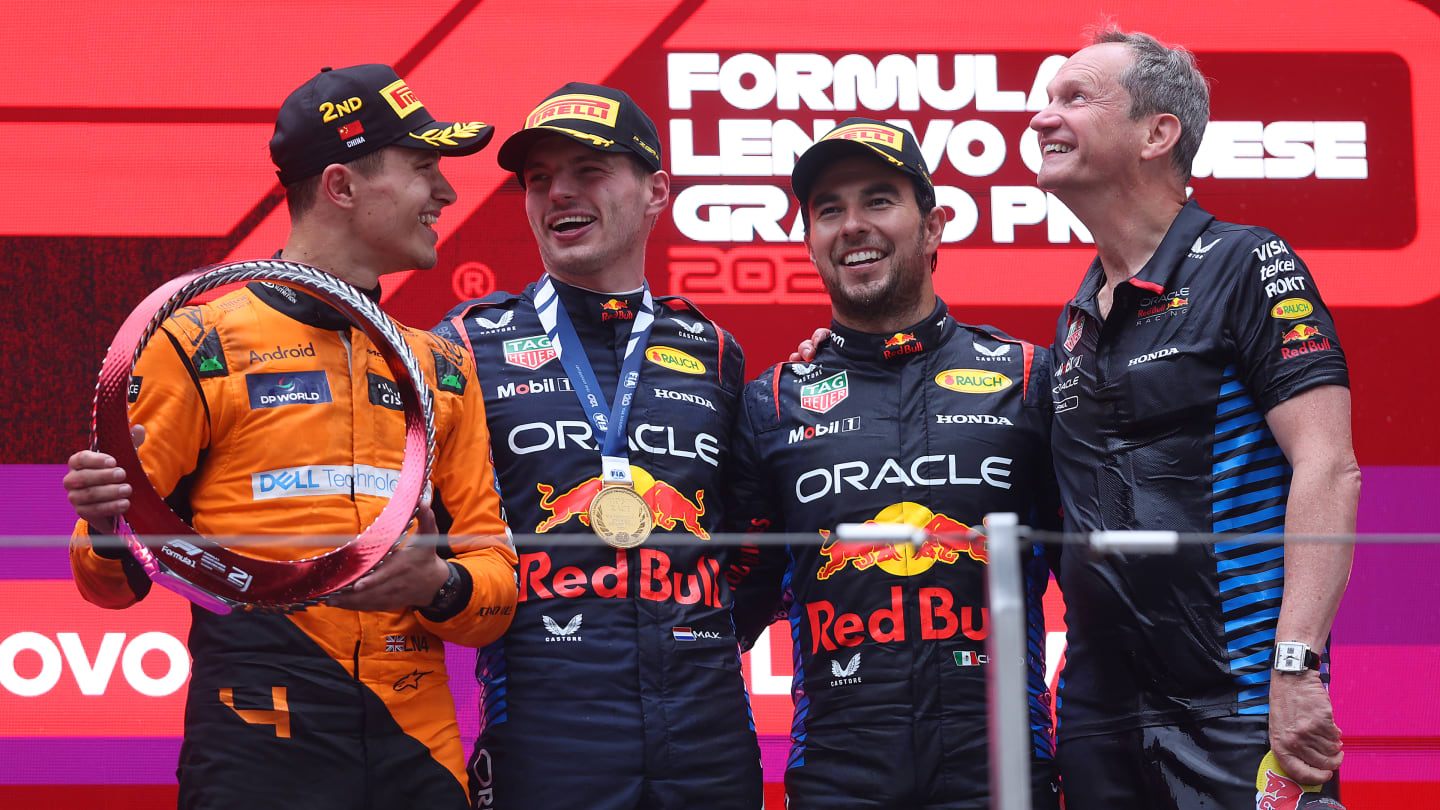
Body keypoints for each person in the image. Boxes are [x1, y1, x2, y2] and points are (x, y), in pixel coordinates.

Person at [62, 64, 518, 810]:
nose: (446, 193)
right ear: (340, 186)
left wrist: (441, 587)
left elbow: (497, 589)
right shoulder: (200, 339)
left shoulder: (443, 367)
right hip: (257, 736)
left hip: (419, 746)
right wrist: (106, 524)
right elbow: (110, 586)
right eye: (425, 168)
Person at [1028, 30, 1359, 808]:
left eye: (1074, 98)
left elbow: (1329, 467)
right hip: (1098, 720)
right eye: (1047, 101)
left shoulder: (1248, 264)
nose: (1043, 119)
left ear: (1157, 133)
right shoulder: (1074, 320)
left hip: (1242, 705)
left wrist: (1295, 667)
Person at [433, 83, 760, 809]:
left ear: (656, 192)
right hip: (548, 722)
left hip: (707, 729)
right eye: (540, 179)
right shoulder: (463, 345)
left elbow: (752, 533)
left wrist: (693, 633)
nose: (559, 194)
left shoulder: (711, 350)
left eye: (588, 170)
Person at [724, 118, 1061, 810]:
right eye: (828, 210)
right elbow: (727, 611)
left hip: (1002, 775)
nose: (852, 225)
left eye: (879, 200)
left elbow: (1102, 589)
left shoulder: (1029, 378)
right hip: (839, 779)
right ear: (810, 241)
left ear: (933, 227)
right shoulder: (772, 403)